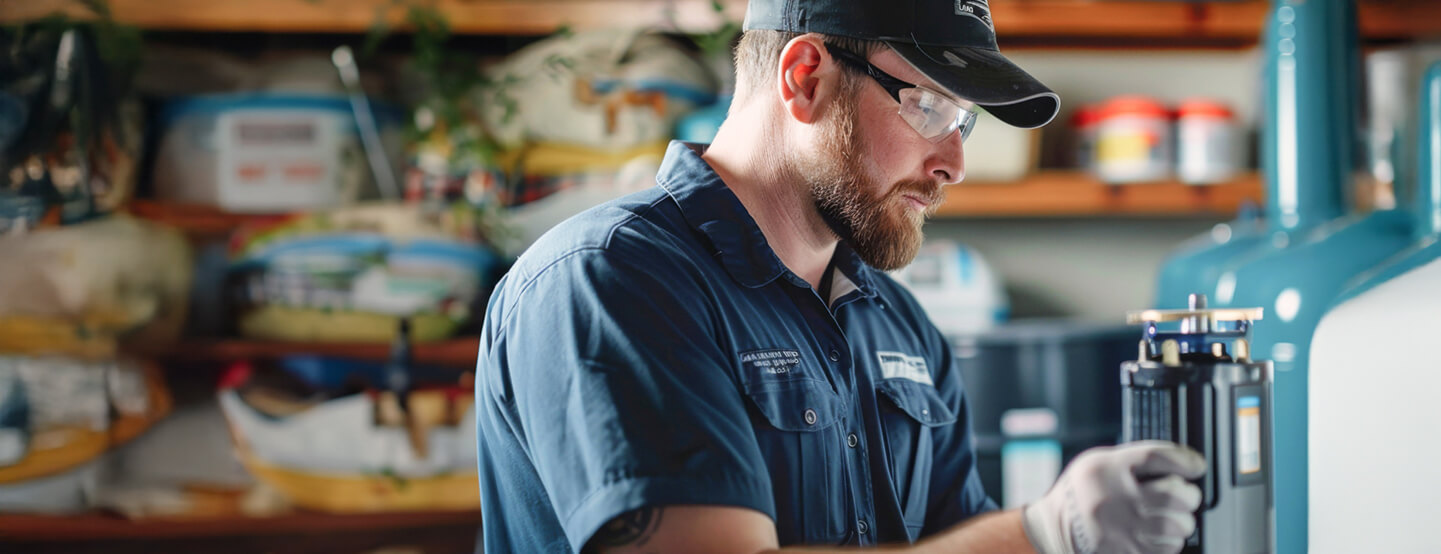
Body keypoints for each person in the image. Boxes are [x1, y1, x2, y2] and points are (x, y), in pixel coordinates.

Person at [473, 0, 1207, 552]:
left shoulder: (901, 326)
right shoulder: (610, 284)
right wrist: (1046, 532)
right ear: (805, 78)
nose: (953, 162)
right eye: (929, 107)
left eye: (964, 121)